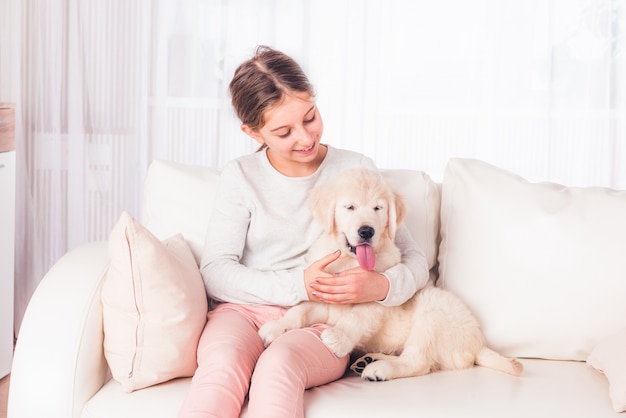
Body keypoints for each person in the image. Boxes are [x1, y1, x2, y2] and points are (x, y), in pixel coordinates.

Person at [178, 45, 429, 418]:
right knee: (222, 366)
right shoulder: (241, 176)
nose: (305, 138)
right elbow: (215, 270)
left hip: (328, 319)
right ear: (252, 132)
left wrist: (384, 288)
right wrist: (299, 285)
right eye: (283, 132)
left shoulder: (356, 168)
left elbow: (414, 259)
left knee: (279, 366)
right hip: (245, 311)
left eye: (310, 117)